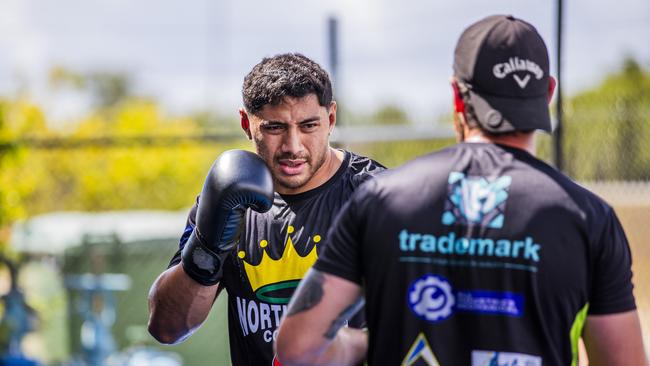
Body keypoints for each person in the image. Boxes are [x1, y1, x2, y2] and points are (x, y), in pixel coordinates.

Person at [276, 15, 648, 366]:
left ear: (457, 95)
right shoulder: (588, 218)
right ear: (548, 93)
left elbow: (297, 347)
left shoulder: (382, 199)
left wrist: (369, 343)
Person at [147, 53, 385, 365]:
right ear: (247, 123)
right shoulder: (229, 196)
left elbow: (427, 320)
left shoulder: (376, 195)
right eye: (275, 128)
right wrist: (209, 246)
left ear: (331, 119)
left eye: (308, 125)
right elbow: (167, 327)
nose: (293, 146)